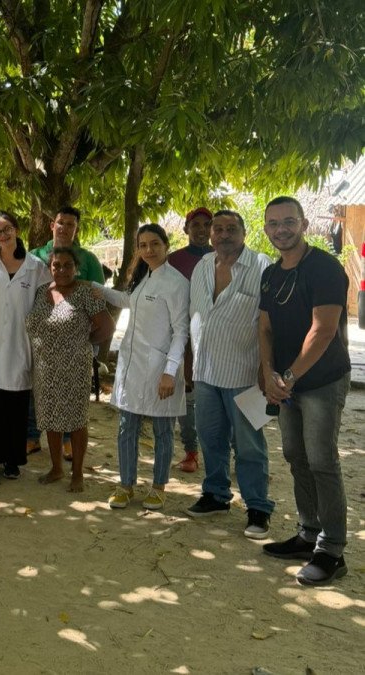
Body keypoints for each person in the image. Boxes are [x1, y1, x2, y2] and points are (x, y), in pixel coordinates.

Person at [259, 196, 351, 586]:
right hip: (285, 382)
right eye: (274, 223)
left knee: (321, 461)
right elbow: (264, 326)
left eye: (289, 221)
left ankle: (332, 550)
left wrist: (289, 377)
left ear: (304, 224)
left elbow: (324, 330)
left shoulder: (325, 268)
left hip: (320, 381)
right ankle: (308, 533)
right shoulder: (272, 273)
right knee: (296, 457)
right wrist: (267, 373)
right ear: (266, 229)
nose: (282, 229)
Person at [184, 210, 274, 538]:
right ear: (210, 234)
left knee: (249, 446)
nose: (223, 234)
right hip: (206, 371)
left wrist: (267, 369)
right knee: (211, 439)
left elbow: (269, 322)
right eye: (217, 229)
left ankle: (258, 508)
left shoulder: (261, 266)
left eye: (231, 229)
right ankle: (216, 495)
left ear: (244, 233)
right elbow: (195, 317)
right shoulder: (202, 266)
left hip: (246, 374)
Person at [93, 224, 188, 510]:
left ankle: (158, 487)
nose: (149, 250)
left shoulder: (177, 283)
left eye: (154, 244)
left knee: (162, 432)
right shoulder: (143, 277)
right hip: (132, 369)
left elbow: (181, 331)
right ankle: (126, 485)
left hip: (160, 369)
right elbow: (127, 301)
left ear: (166, 245)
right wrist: (96, 288)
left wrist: (170, 371)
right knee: (126, 429)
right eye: (143, 245)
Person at [0, 211, 51, 486]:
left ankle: (13, 461)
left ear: (17, 230)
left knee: (16, 407)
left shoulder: (36, 266)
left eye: (6, 229)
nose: (2, 235)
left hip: (21, 344)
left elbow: (47, 303)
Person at [26, 247, 115, 492]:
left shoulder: (87, 292)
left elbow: (107, 327)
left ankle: (77, 473)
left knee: (75, 420)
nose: (62, 270)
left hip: (74, 366)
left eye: (67, 265)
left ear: (76, 268)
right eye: (56, 265)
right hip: (44, 367)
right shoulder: (42, 291)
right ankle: (56, 468)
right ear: (50, 268)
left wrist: (80, 342)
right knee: (51, 418)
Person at [27, 205, 106, 457]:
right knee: (37, 390)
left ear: (76, 229)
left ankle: (69, 440)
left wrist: (86, 340)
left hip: (76, 345)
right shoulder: (34, 256)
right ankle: (31, 435)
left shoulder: (89, 260)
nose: (64, 228)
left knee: (72, 396)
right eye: (60, 222)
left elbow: (99, 299)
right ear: (52, 225)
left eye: (70, 224)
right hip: (41, 341)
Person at [168, 207, 214, 473]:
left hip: (217, 339)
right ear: (186, 229)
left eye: (207, 224)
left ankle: (231, 452)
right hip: (184, 338)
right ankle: (191, 451)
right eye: (195, 224)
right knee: (187, 394)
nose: (201, 229)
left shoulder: (222, 257)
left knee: (221, 395)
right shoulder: (173, 261)